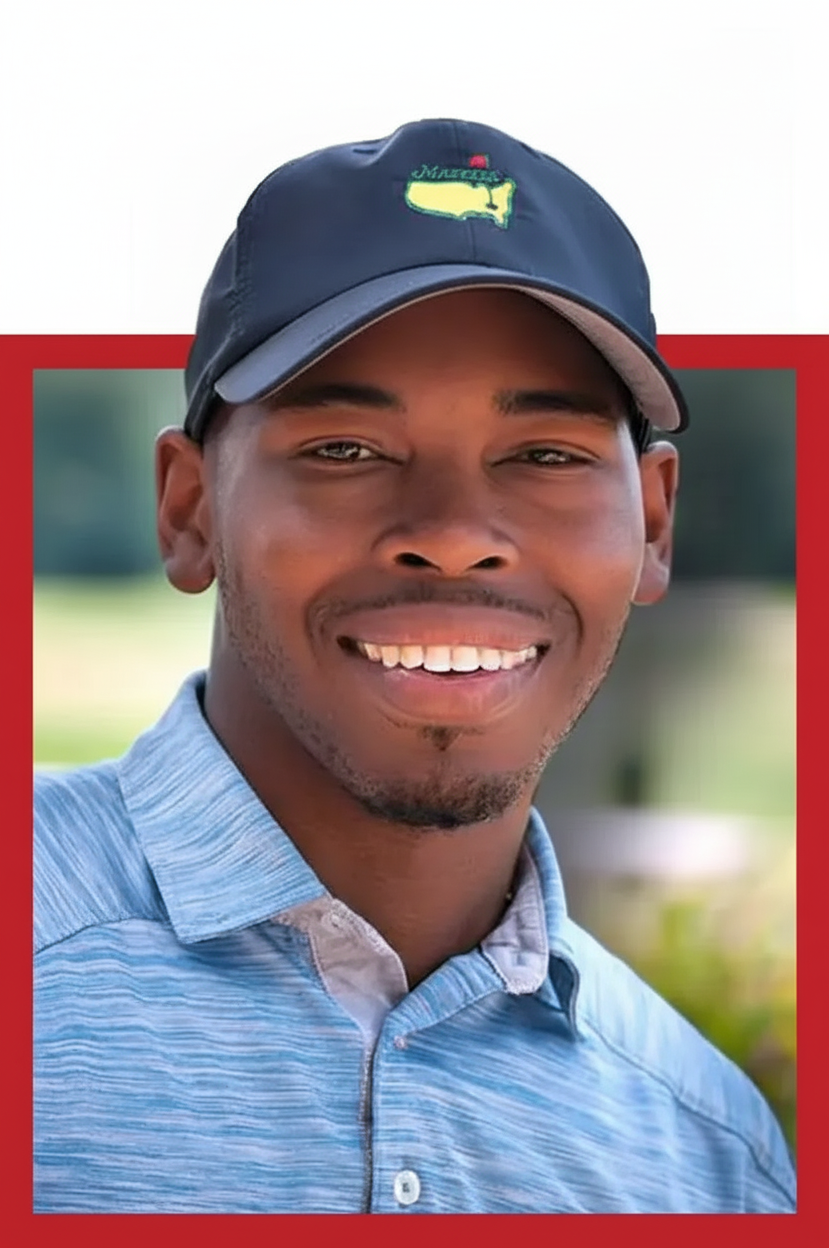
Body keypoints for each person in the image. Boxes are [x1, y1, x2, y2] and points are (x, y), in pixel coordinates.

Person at [34, 118, 796, 1214]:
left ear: (655, 526)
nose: (452, 530)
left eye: (545, 455)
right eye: (345, 450)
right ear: (190, 509)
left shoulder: (711, 1157)